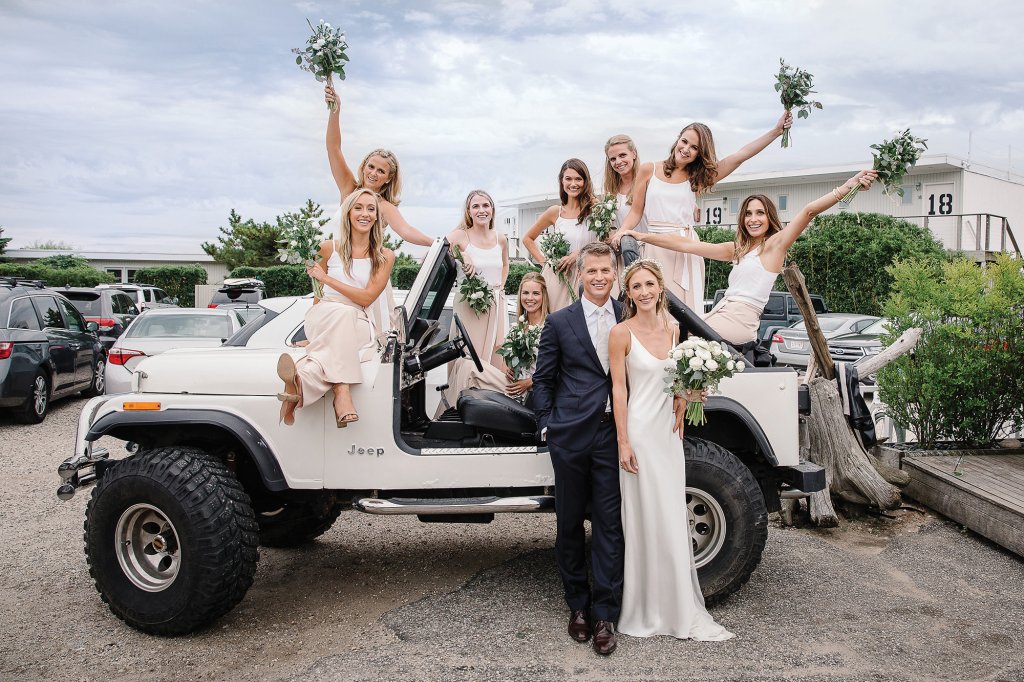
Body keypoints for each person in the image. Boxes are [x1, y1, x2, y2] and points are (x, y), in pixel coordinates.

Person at [609, 258, 734, 640]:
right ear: (628, 295)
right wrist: (623, 441)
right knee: (644, 519)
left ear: (660, 288)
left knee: (669, 516)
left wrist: (687, 394)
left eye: (649, 284)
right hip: (640, 435)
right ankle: (645, 609)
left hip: (669, 434)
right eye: (636, 287)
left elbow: (676, 379)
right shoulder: (620, 333)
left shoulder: (673, 328)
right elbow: (618, 390)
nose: (644, 292)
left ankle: (677, 607)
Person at [621, 170, 878, 346]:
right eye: (748, 214)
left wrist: (848, 186)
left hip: (741, 320)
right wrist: (643, 237)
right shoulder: (738, 250)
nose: (753, 219)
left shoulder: (774, 247)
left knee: (677, 336)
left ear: (769, 218)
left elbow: (809, 211)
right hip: (721, 313)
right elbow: (685, 245)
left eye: (760, 213)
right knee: (671, 331)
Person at [531, 241, 624, 656]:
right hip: (569, 436)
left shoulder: (630, 313)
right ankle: (577, 607)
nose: (600, 277)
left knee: (608, 525)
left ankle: (605, 613)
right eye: (592, 271)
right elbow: (543, 379)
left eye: (606, 271)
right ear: (580, 275)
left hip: (614, 435)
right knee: (569, 523)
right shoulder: (559, 322)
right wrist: (547, 425)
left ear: (615, 273)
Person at [611, 113, 793, 313]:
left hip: (685, 249)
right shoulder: (648, 170)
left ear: (700, 153)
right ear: (678, 139)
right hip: (654, 246)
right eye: (685, 142)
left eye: (694, 147)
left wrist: (776, 132)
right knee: (652, 307)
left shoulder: (695, 178)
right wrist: (622, 231)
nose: (686, 149)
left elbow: (740, 155)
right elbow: (636, 212)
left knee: (683, 311)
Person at [277, 188, 396, 428]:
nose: (365, 213)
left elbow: (367, 298)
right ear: (348, 213)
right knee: (341, 315)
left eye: (371, 209)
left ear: (376, 217)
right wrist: (315, 332)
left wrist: (327, 278)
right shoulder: (327, 248)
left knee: (347, 316)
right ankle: (341, 393)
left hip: (360, 320)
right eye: (358, 208)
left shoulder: (385, 256)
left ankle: (300, 382)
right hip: (326, 313)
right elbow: (319, 298)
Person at [324, 83, 431, 335]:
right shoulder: (348, 188)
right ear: (364, 166)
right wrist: (335, 111)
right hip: (337, 269)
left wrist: (438, 243)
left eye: (381, 171)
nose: (374, 173)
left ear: (388, 178)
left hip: (366, 276)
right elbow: (333, 148)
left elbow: (406, 231)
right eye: (371, 166)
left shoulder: (384, 207)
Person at [439, 271, 549, 413]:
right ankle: (446, 418)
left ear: (543, 296)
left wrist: (529, 383)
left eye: (535, 293)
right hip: (512, 385)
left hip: (530, 392)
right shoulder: (518, 328)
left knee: (469, 368)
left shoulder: (549, 327)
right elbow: (504, 367)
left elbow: (556, 369)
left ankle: (442, 419)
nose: (530, 298)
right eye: (525, 293)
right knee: (463, 362)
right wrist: (510, 369)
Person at [522, 159, 599, 312]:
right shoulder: (555, 212)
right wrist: (545, 263)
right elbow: (527, 239)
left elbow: (606, 241)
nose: (573, 183)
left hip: (586, 275)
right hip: (558, 278)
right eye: (568, 178)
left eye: (578, 178)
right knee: (555, 320)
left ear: (586, 181)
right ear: (561, 181)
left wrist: (580, 253)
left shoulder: (596, 209)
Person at [447, 190, 509, 369]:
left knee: (496, 356)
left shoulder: (501, 239)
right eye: (475, 206)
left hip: (496, 304)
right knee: (470, 356)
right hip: (469, 306)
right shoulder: (460, 236)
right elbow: (435, 252)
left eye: (485, 205)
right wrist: (461, 254)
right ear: (469, 211)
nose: (481, 210)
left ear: (492, 209)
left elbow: (505, 265)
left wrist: (500, 287)